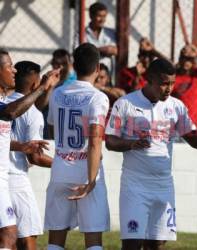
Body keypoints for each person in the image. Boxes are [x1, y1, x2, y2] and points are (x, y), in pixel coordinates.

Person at [105, 58, 197, 250]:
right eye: (164, 83)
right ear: (149, 79)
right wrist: (131, 144)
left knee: (156, 244)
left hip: (164, 184)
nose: (169, 88)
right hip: (134, 185)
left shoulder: (176, 106)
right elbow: (110, 141)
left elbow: (196, 142)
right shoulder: (125, 103)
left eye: (172, 83)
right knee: (132, 244)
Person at [44, 43, 110, 250]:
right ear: (98, 69)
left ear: (73, 65)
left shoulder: (57, 94)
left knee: (55, 239)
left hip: (60, 170)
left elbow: (54, 130)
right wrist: (91, 180)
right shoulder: (98, 97)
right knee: (93, 241)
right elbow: (95, 141)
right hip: (87, 174)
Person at [0, 48, 60, 250]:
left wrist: (19, 146)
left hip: (5, 178)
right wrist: (63, 164)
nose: (13, 71)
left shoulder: (5, 101)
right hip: (15, 181)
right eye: (9, 66)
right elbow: (35, 158)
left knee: (8, 237)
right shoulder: (18, 109)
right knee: (21, 238)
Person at [77, 2, 117, 75]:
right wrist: (103, 50)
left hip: (107, 75)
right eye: (99, 16)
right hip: (89, 74)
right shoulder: (81, 34)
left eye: (104, 16)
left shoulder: (110, 33)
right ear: (91, 16)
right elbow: (78, 53)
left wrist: (91, 51)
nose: (102, 19)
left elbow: (115, 50)